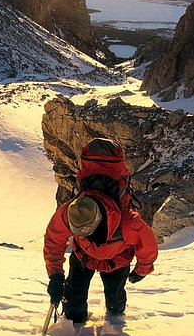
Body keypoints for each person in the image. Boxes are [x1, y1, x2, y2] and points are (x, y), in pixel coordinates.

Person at [43, 138, 158, 324]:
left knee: (112, 298)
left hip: (114, 259)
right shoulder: (73, 211)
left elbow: (148, 246)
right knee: (86, 298)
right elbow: (53, 240)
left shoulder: (127, 222)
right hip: (90, 256)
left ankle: (111, 323)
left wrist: (143, 269)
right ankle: (81, 322)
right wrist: (55, 275)